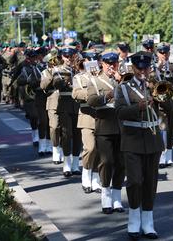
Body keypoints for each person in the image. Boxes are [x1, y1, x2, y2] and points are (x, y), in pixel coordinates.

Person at [115, 51, 166, 240]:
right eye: (139, 67)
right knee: (135, 181)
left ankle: (148, 222)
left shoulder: (155, 85)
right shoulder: (123, 88)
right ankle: (134, 221)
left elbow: (170, 106)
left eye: (146, 67)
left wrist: (163, 99)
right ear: (133, 67)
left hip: (153, 140)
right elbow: (119, 112)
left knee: (150, 182)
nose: (142, 71)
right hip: (132, 139)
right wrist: (138, 107)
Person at [86, 51, 125, 214]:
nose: (112, 67)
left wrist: (121, 82)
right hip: (104, 125)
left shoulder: (123, 80)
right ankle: (106, 195)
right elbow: (91, 100)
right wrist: (106, 96)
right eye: (109, 64)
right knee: (106, 162)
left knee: (121, 163)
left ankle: (117, 198)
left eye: (114, 64)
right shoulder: (94, 80)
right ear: (102, 64)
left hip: (122, 126)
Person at [72, 54, 102, 194]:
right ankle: (86, 173)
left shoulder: (103, 76)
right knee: (90, 148)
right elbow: (76, 93)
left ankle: (96, 179)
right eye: (88, 60)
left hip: (103, 116)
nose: (91, 62)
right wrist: (92, 94)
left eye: (94, 60)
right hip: (87, 116)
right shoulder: (78, 77)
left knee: (100, 149)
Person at [52, 46, 82, 177]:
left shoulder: (79, 70)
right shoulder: (57, 70)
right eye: (66, 56)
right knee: (66, 134)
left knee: (77, 135)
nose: (68, 59)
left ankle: (76, 164)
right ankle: (67, 164)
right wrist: (67, 80)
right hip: (64, 105)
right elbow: (56, 84)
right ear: (62, 57)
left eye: (71, 56)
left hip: (78, 105)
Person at [154, 42, 173, 168]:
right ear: (157, 53)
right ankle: (162, 157)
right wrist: (158, 68)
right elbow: (150, 79)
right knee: (162, 129)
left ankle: (169, 156)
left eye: (166, 52)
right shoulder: (152, 67)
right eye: (161, 52)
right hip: (160, 103)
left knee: (172, 129)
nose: (164, 55)